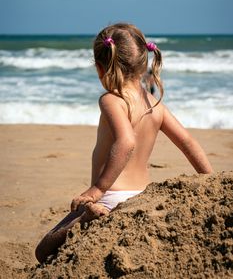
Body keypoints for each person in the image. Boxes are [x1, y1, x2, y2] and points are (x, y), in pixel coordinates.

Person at [35, 23, 213, 263]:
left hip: (109, 197)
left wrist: (97, 189)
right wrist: (210, 181)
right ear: (144, 64)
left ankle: (89, 217)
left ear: (100, 68)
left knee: (43, 250)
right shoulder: (155, 105)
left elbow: (126, 141)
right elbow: (188, 142)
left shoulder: (112, 100)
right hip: (141, 198)